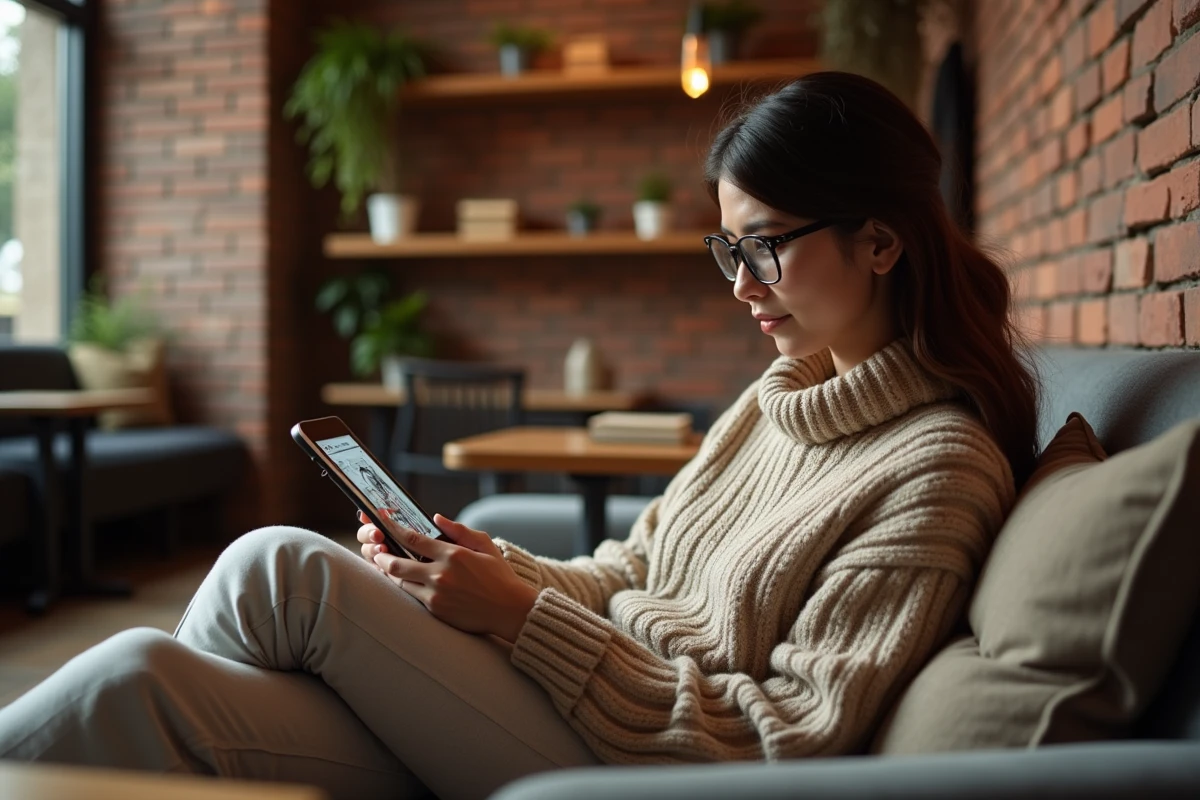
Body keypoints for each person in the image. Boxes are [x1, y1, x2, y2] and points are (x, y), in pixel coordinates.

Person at [0, 72, 1037, 800]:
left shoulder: (937, 467)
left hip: (637, 759)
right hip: (584, 694)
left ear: (883, 241)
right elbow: (636, 565)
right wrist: (504, 571)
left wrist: (521, 619)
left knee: (279, 567)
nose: (737, 280)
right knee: (144, 676)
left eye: (764, 244)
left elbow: (781, 739)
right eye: (728, 244)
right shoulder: (777, 398)